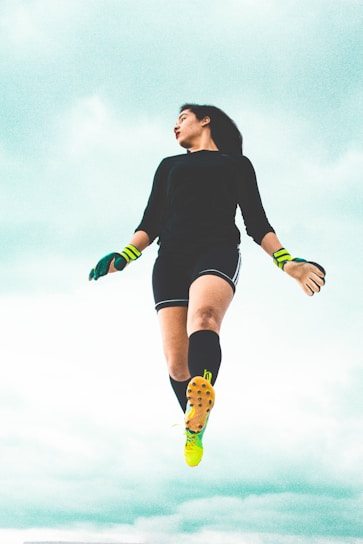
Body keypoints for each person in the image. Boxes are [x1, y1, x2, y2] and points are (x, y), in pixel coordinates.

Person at [89, 104, 326, 467]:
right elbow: (151, 221)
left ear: (205, 120)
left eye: (182, 118)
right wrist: (124, 255)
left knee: (204, 318)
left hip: (216, 251)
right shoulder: (169, 166)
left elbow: (256, 222)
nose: (175, 126)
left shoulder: (236, 165)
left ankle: (202, 397)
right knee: (177, 365)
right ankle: (194, 424)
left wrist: (288, 263)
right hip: (170, 260)